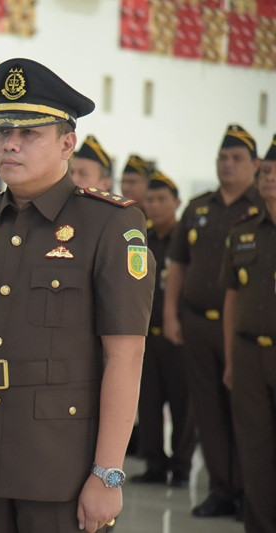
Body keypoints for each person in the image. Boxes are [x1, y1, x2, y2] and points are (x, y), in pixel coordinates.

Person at [0, 58, 154, 533]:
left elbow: (126, 355)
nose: (10, 144)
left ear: (67, 144)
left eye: (29, 133)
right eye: (2, 131)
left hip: (60, 468)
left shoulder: (109, 223)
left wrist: (107, 473)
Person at [163, 124, 262, 520]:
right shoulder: (198, 208)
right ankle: (222, 489)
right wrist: (170, 313)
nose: (227, 165)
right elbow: (178, 265)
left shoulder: (261, 209)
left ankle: (251, 495)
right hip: (197, 324)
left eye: (237, 158)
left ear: (256, 164)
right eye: (222, 158)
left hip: (239, 329)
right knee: (207, 411)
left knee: (247, 414)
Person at [220, 134, 276, 533]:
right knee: (254, 451)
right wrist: (230, 359)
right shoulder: (243, 232)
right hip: (249, 355)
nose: (270, 177)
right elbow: (232, 299)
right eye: (267, 171)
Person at [131, 171, 196, 487]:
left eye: (162, 200)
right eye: (150, 200)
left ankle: (181, 467)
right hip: (145, 335)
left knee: (183, 403)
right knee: (148, 402)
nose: (155, 206)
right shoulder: (139, 239)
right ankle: (154, 464)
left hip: (178, 336)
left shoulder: (185, 241)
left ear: (177, 202)